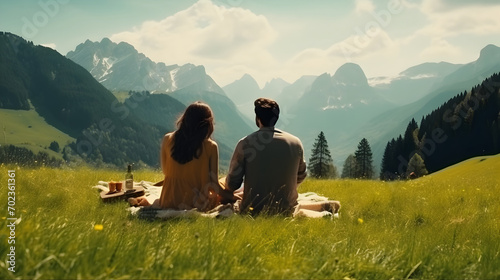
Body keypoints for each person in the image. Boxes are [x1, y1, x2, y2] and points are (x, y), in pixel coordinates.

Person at [224, 98, 340, 216]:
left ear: (257, 119)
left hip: (252, 210)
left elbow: (233, 183)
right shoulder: (295, 142)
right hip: (287, 209)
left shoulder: (245, 143)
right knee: (297, 202)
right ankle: (322, 209)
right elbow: (301, 175)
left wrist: (226, 190)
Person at [129, 101, 234, 211]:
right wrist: (232, 197)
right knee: (223, 183)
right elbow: (214, 185)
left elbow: (165, 171)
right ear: (207, 123)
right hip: (197, 203)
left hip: (168, 200)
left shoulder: (167, 139)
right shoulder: (211, 146)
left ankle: (145, 201)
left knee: (158, 199)